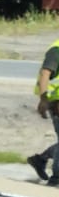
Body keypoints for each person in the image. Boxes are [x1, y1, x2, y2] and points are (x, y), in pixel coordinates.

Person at [27, 35, 59, 182]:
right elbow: (45, 73)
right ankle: (56, 178)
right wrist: (43, 99)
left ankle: (41, 159)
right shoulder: (56, 50)